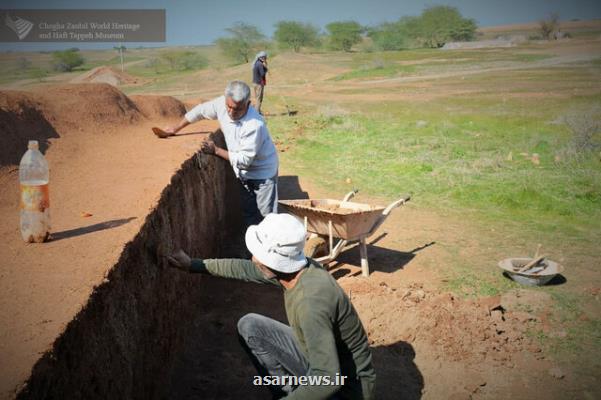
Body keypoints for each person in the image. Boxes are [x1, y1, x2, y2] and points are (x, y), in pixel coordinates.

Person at [167, 213, 376, 399]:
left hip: (347, 390)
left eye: (258, 255)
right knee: (251, 326)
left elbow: (328, 379)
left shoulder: (310, 304)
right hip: (325, 365)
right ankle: (287, 391)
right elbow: (245, 269)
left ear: (275, 262)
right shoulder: (300, 270)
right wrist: (194, 265)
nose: (253, 258)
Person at [163, 80, 278, 227]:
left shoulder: (254, 125)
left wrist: (216, 150)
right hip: (244, 174)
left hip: (263, 174)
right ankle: (254, 246)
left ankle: (272, 247)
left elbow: (243, 160)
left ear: (248, 105)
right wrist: (175, 128)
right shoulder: (222, 104)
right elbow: (199, 111)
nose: (231, 112)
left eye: (237, 109)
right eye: (228, 106)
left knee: (267, 218)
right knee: (249, 213)